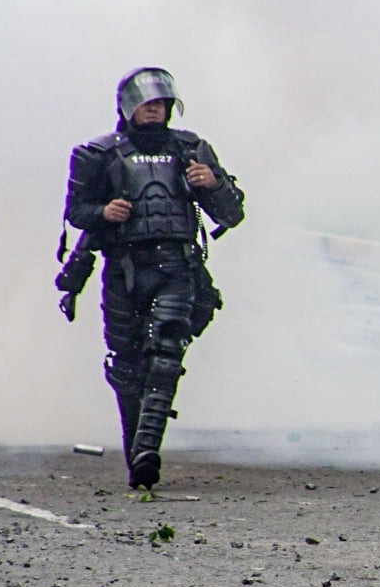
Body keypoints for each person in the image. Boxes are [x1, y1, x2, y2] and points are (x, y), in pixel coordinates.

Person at [62, 67, 244, 490]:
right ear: (128, 107)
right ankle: (135, 454)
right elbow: (76, 211)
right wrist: (105, 213)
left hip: (177, 268)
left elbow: (232, 213)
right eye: (147, 103)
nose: (154, 110)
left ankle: (147, 451)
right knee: (127, 366)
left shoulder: (191, 149)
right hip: (124, 269)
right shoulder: (98, 153)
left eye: (161, 103)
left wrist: (212, 183)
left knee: (166, 352)